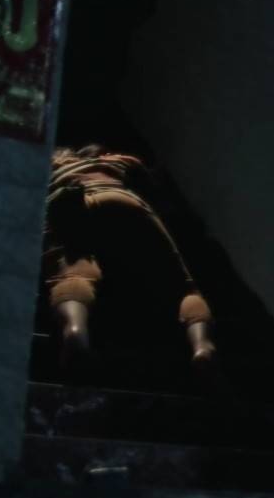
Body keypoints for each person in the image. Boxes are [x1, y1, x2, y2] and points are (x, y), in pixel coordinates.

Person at [41, 144, 222, 391]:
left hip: (68, 201)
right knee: (181, 287)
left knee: (73, 273)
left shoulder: (46, 168)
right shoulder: (115, 160)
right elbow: (156, 183)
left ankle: (75, 330)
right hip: (119, 198)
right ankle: (203, 347)